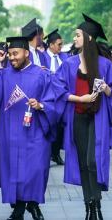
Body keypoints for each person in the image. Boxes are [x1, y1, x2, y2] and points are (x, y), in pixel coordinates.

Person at [0, 36, 59, 220]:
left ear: (26, 53)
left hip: (36, 131)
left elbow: (53, 101)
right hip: (11, 133)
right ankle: (19, 208)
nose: (12, 58)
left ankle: (34, 204)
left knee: (36, 169)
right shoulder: (4, 74)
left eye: (16, 54)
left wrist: (41, 105)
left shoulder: (42, 74)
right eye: (10, 54)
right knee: (14, 171)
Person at [53, 14, 112, 220]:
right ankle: (90, 206)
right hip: (77, 118)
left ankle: (96, 202)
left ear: (89, 38)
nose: (74, 39)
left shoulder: (105, 65)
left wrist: (107, 88)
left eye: (77, 35)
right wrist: (80, 98)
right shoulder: (69, 64)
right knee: (83, 163)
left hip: (98, 118)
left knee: (92, 161)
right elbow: (57, 90)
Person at [43, 29, 69, 165]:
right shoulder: (42, 57)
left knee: (60, 126)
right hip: (47, 97)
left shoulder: (64, 57)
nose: (61, 47)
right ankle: (46, 153)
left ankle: (56, 152)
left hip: (61, 97)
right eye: (59, 44)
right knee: (48, 124)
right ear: (51, 45)